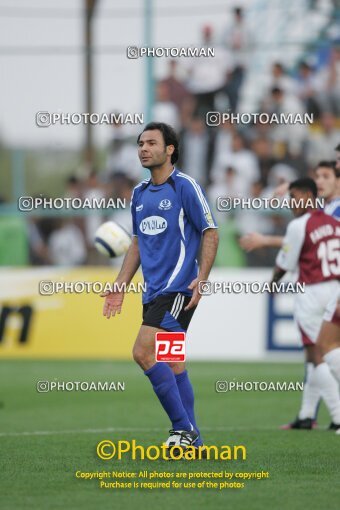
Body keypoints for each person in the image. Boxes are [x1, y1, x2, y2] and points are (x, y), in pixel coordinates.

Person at [101, 122, 219, 453]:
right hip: (152, 292)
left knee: (141, 352)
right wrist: (120, 285)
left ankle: (182, 428)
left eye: (151, 143)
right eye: (140, 143)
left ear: (170, 150)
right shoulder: (139, 193)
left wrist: (203, 277)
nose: (143, 148)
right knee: (173, 362)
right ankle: (193, 437)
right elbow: (137, 243)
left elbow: (210, 230)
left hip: (178, 289)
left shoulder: (186, 187)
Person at [270, 177, 340, 430]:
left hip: (312, 293)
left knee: (317, 354)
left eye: (294, 197)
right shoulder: (334, 224)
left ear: (308, 196)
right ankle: (308, 415)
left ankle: (338, 416)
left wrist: (272, 284)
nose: (291, 203)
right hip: (336, 290)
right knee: (327, 350)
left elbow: (285, 264)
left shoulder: (300, 225)